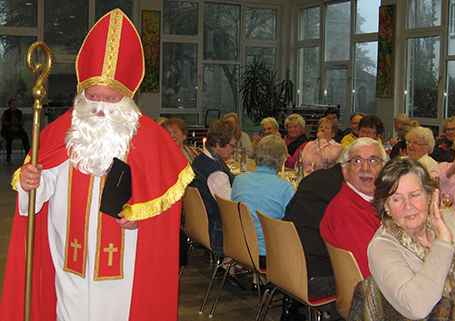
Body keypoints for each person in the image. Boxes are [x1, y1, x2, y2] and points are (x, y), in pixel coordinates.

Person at [0, 9, 195, 321]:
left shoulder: (151, 140)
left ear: (128, 98)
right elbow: (44, 182)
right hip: (69, 260)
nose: (100, 108)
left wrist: (139, 220)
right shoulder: (60, 132)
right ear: (82, 94)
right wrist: (30, 181)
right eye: (93, 96)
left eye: (110, 99)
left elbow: (162, 216)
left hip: (125, 267)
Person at [368, 157, 455, 320]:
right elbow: (416, 308)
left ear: (430, 195)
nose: (408, 206)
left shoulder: (451, 220)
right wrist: (443, 243)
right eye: (396, 199)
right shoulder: (382, 246)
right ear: (386, 207)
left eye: (415, 195)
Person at [320, 137, 389, 278]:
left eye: (373, 160)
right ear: (345, 171)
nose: (365, 168)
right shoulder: (348, 213)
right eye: (357, 161)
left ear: (384, 169)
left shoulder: (374, 202)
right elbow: (367, 274)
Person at [283, 163, 344, 320]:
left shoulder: (313, 178)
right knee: (366, 281)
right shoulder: (344, 192)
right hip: (313, 277)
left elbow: (287, 214)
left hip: (284, 265)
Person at [231, 135, 295, 268]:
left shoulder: (239, 180)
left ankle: (257, 279)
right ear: (282, 160)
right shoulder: (285, 188)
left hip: (241, 248)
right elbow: (290, 228)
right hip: (270, 254)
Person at [190, 119, 242, 281]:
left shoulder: (200, 160)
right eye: (233, 145)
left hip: (203, 222)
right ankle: (238, 265)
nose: (234, 150)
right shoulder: (216, 173)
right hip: (217, 228)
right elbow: (230, 208)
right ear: (219, 144)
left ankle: (230, 264)